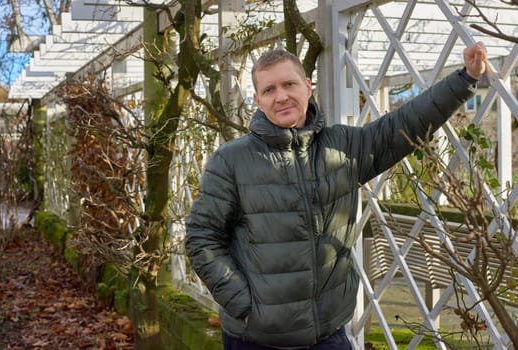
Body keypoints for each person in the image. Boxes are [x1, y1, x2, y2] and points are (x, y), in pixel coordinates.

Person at [185, 42, 487, 349]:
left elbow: (404, 123)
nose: (281, 96)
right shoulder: (232, 160)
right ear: (258, 100)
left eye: (289, 84)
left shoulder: (342, 147)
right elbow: (201, 237)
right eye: (269, 90)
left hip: (328, 334)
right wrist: (242, 304)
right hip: (256, 338)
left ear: (307, 87)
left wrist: (464, 80)